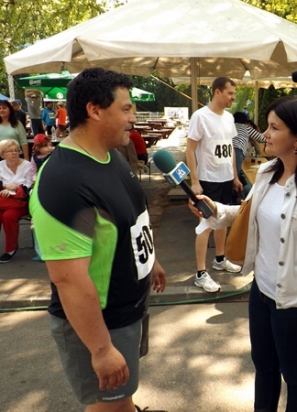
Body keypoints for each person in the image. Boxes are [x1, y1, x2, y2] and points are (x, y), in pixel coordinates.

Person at [29, 67, 167, 412]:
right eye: (126, 109)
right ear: (94, 110)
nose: (133, 118)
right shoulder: (64, 181)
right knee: (108, 407)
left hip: (128, 311)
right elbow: (69, 280)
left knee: (123, 400)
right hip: (100, 325)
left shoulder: (110, 155)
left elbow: (129, 219)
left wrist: (150, 260)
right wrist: (102, 350)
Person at [191, 96, 297, 411]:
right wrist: (216, 210)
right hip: (261, 293)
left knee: (295, 376)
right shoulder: (268, 171)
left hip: (294, 305)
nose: (265, 134)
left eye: (274, 127)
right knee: (264, 368)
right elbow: (246, 214)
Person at [186, 76, 243, 292]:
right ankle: (201, 273)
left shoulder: (229, 118)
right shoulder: (200, 117)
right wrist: (195, 181)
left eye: (234, 94)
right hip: (207, 180)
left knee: (223, 221)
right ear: (217, 92)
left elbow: (230, 148)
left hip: (226, 179)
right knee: (206, 225)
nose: (233, 98)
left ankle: (220, 259)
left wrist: (235, 176)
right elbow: (190, 149)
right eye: (230, 93)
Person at [0, 139, 34, 263]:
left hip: (21, 202)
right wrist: (4, 187)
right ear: (2, 154)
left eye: (16, 150)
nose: (14, 153)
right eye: (10, 151)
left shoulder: (27, 165)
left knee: (8, 216)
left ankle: (10, 249)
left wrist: (14, 188)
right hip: (4, 200)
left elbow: (30, 185)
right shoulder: (0, 165)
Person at [233, 111, 266, 179]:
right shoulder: (246, 128)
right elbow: (261, 138)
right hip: (237, 150)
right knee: (236, 174)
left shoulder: (230, 126)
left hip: (227, 149)